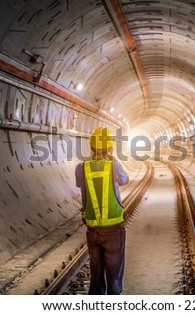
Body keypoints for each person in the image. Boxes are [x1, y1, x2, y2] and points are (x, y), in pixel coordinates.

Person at [75, 126, 129, 295]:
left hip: (92, 229)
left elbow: (80, 185)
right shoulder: (114, 166)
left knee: (96, 273)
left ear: (91, 147)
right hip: (113, 228)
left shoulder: (81, 167)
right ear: (110, 147)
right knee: (114, 274)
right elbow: (125, 180)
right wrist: (112, 160)